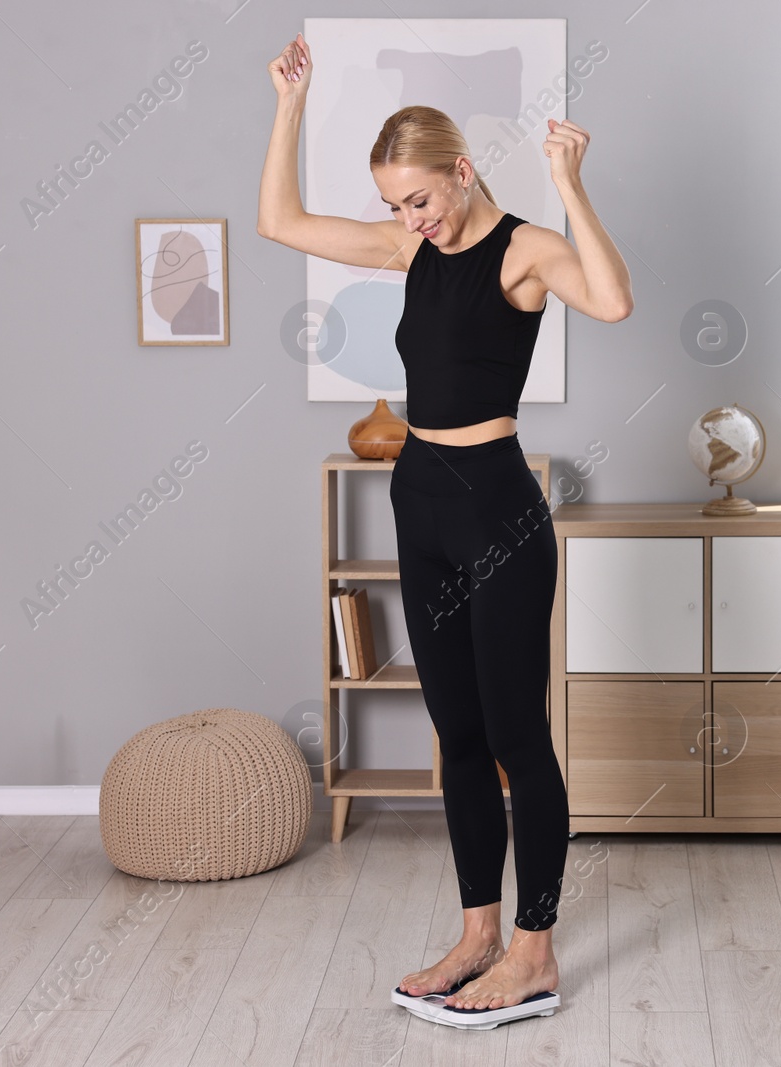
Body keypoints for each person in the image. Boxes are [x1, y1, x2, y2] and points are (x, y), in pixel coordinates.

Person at [258, 32, 633, 1013]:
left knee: (517, 733)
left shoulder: (522, 251)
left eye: (419, 199)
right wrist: (290, 105)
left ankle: (534, 947)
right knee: (455, 731)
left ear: (461, 172)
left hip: (496, 507)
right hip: (418, 496)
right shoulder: (406, 248)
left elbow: (613, 299)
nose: (406, 220)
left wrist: (570, 182)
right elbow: (278, 220)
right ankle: (477, 933)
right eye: (393, 204)